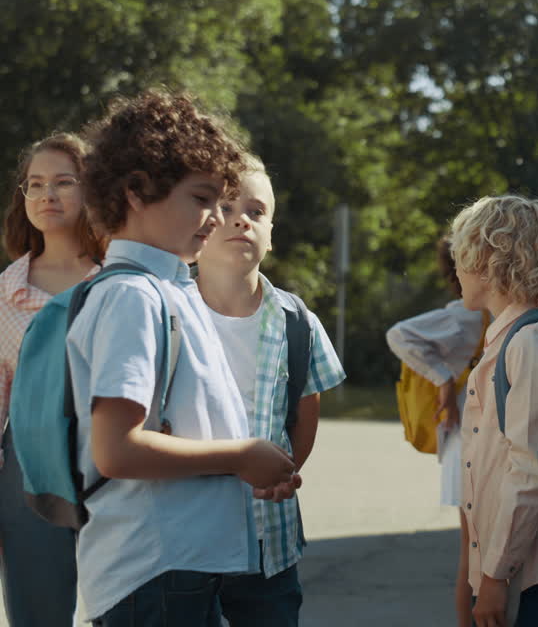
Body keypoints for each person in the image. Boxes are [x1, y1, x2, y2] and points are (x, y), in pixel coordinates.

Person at [71, 89, 299, 627]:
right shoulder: (133, 296)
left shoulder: (171, 288)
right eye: (201, 199)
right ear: (135, 191)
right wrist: (240, 456)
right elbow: (117, 451)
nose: (216, 217)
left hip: (178, 566)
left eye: (222, 202)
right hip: (151, 568)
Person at [195, 153, 346, 626]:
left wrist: (282, 474)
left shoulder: (296, 321)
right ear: (198, 226)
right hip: (183, 538)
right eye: (225, 206)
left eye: (257, 211)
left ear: (272, 235)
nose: (242, 218)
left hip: (269, 542)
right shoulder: (165, 309)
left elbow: (304, 417)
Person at [450, 194, 538, 627]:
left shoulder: (530, 342)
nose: (456, 268)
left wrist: (494, 576)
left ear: (489, 260)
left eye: (461, 255)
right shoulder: (510, 339)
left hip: (529, 577)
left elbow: (533, 469)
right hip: (513, 572)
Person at [0, 133, 104, 625]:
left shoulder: (120, 279)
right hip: (27, 471)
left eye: (64, 182)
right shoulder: (5, 292)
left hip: (112, 455)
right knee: (37, 613)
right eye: (35, 184)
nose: (47, 195)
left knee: (129, 604)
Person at [385, 237, 487, 627]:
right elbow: (399, 335)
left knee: (477, 550)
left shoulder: (486, 313)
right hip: (468, 439)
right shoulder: (463, 315)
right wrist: (442, 377)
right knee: (475, 551)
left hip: (475, 437)